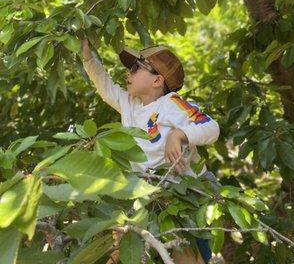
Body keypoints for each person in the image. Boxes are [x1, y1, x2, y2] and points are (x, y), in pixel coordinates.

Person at [81, 39, 220, 264]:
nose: (130, 72)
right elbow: (104, 86)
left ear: (157, 80)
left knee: (187, 256)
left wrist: (178, 135)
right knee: (122, 250)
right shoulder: (130, 104)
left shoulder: (171, 103)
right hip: (150, 195)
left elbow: (211, 127)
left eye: (137, 68)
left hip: (187, 194)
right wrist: (87, 58)